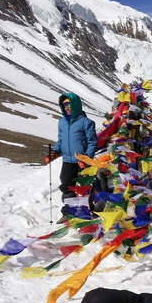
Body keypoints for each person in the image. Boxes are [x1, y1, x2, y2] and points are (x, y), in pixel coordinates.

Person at [47, 92, 98, 221]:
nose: (67, 108)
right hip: (68, 160)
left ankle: (87, 213)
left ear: (75, 105)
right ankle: (69, 213)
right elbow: (60, 140)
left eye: (69, 105)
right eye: (64, 105)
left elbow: (92, 142)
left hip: (82, 161)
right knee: (66, 185)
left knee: (84, 187)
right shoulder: (62, 123)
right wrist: (55, 152)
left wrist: (86, 159)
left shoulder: (86, 122)